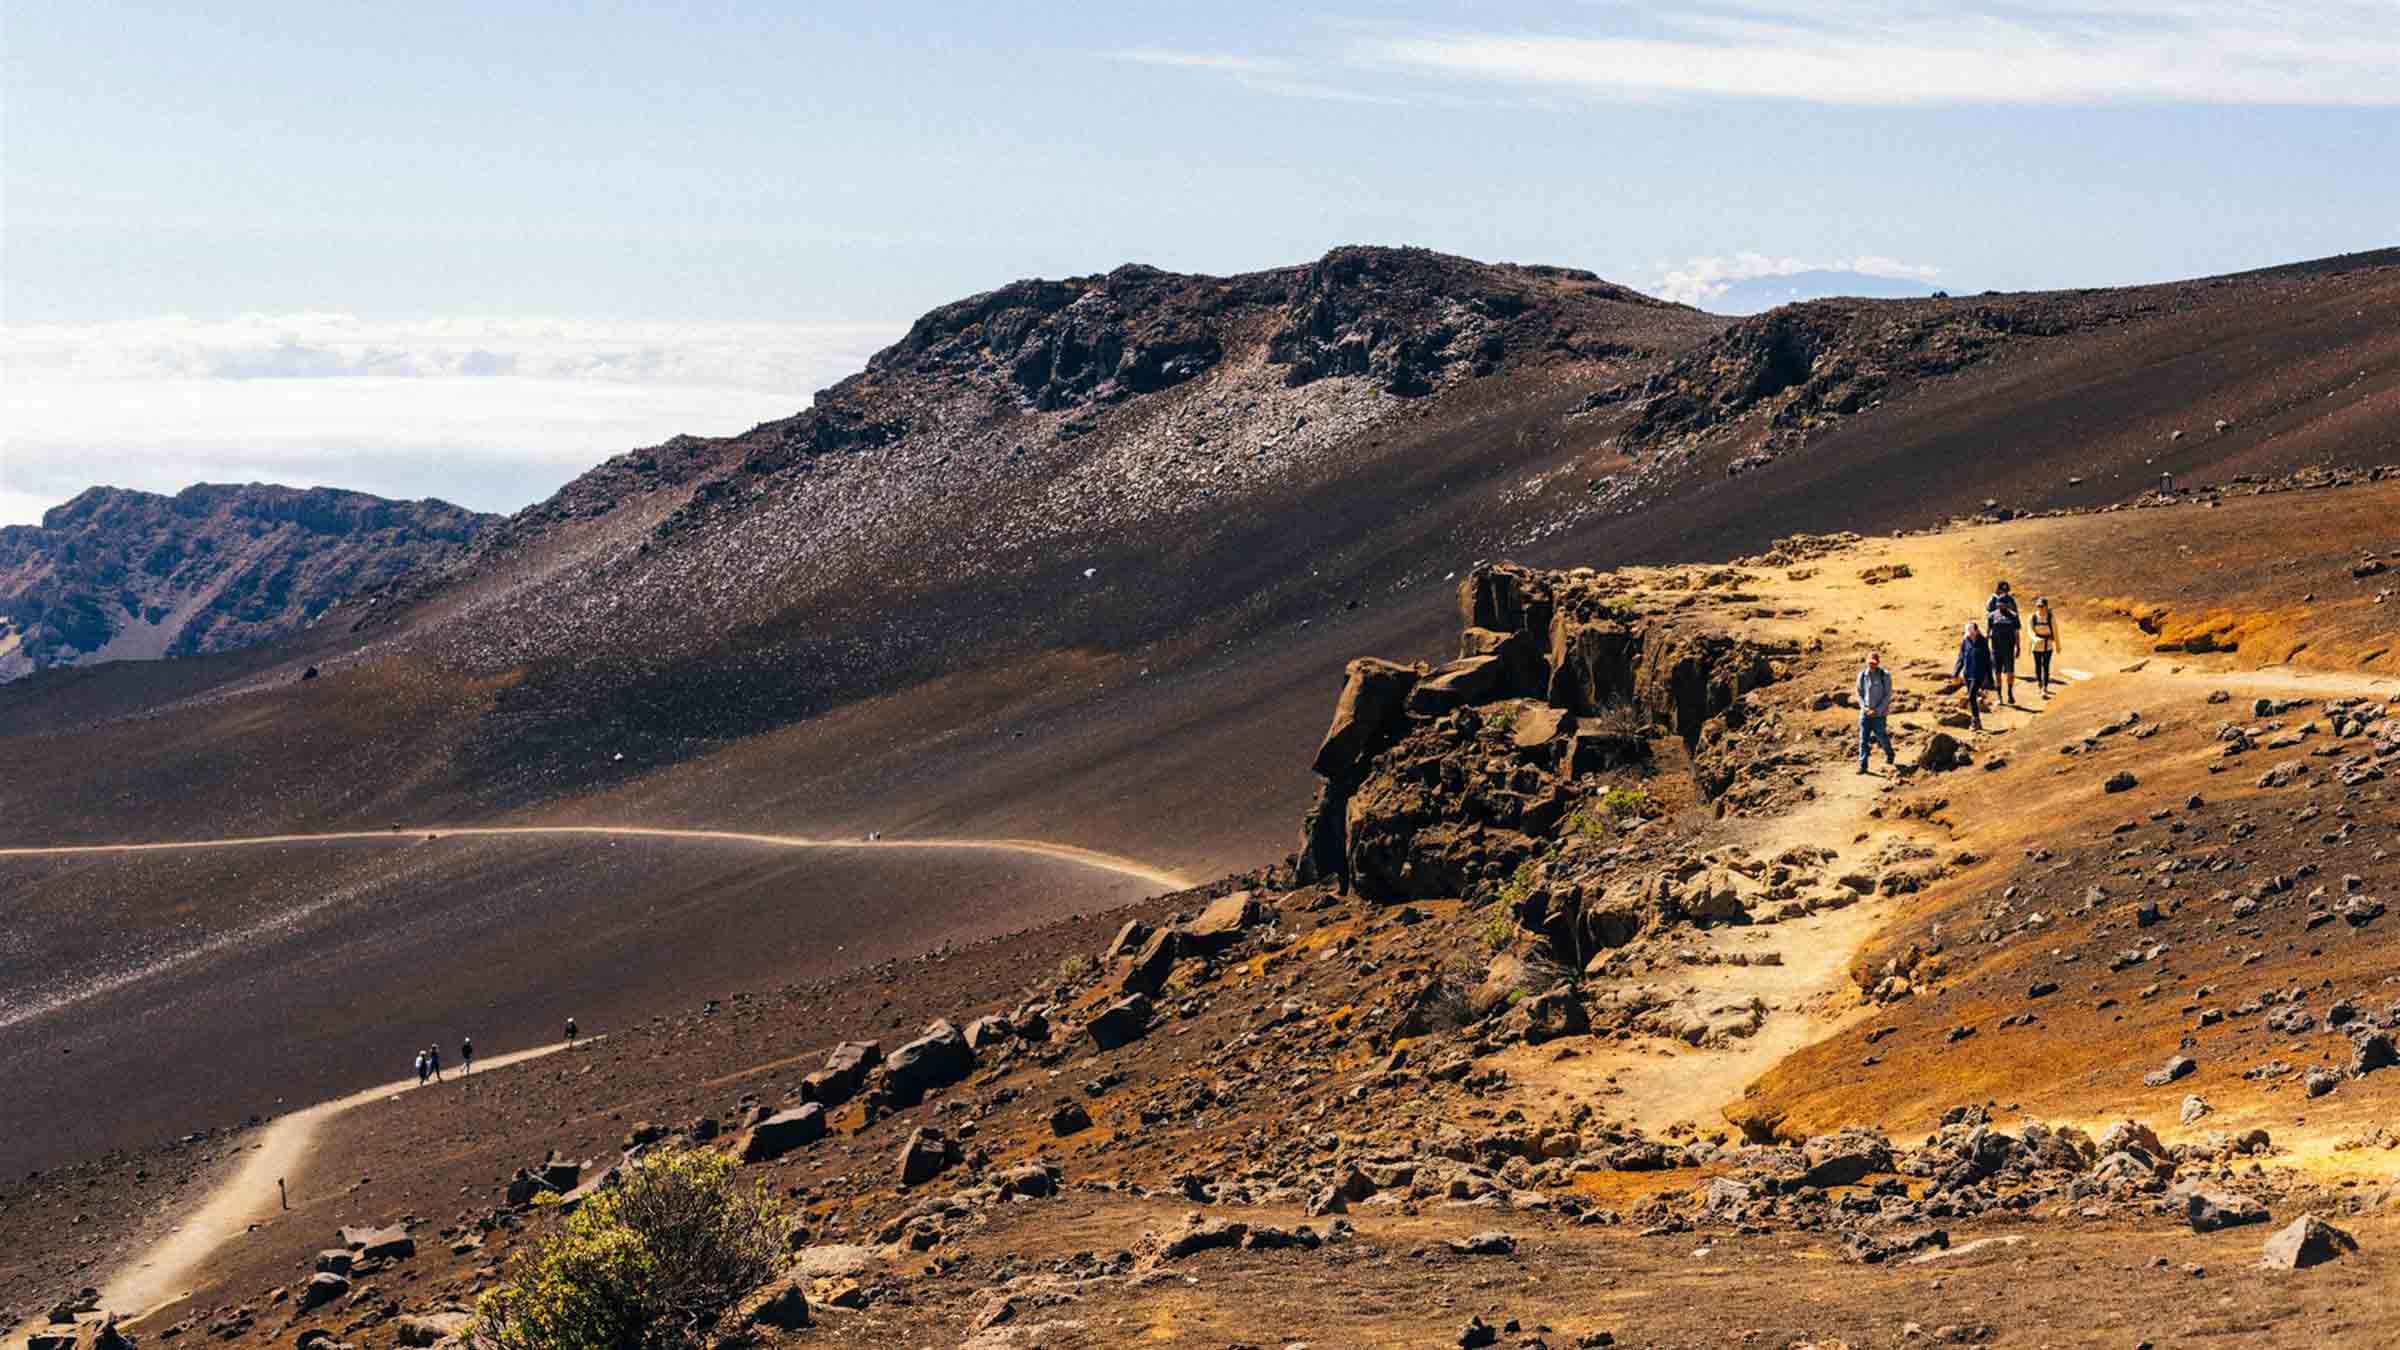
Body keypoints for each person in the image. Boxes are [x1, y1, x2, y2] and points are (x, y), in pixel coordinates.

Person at [1856, 650, 1896, 774]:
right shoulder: (1862, 676)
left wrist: (1877, 710)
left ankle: (1890, 754)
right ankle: (1863, 766)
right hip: (1865, 713)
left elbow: (1887, 695)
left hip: (1879, 714)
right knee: (1863, 739)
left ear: (1878, 663)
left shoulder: (1885, 675)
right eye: (1870, 663)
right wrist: (1865, 708)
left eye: (1874, 663)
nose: (1871, 665)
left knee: (1881, 737)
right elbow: (1859, 694)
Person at [1985, 581, 2023, 707]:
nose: (2000, 605)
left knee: (2010, 672)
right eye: (1999, 603)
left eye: (2003, 603)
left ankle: (2010, 692)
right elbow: (1988, 632)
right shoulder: (1992, 616)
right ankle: (2000, 696)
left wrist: (2018, 647)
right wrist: (1986, 646)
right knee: (1997, 673)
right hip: (1996, 649)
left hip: (2008, 648)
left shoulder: (2013, 616)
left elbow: (2017, 633)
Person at [1954, 621, 1995, 730]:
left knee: (1971, 696)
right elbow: (1961, 657)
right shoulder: (1965, 641)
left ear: (1976, 631)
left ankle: (1975, 721)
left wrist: (1990, 677)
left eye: (1972, 632)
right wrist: (1956, 672)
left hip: (1979, 674)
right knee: (1972, 698)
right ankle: (1977, 721)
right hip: (1968, 673)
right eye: (1969, 632)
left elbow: (1988, 661)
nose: (1970, 634)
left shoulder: (1983, 642)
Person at [2029, 596, 2060, 695]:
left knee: (2046, 666)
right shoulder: (2033, 617)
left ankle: (2045, 688)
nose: (2040, 608)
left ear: (2046, 607)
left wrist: (2058, 646)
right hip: (2037, 645)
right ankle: (2039, 683)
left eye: (2041, 606)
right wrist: (2035, 639)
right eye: (2038, 606)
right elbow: (2030, 631)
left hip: (2048, 645)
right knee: (2038, 666)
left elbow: (2055, 632)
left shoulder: (2051, 618)